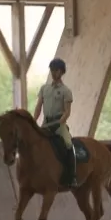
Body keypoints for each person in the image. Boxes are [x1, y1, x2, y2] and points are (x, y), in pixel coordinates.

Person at [33, 58, 78, 188]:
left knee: (69, 144)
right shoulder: (44, 89)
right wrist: (34, 121)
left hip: (58, 124)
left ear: (61, 72)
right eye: (52, 70)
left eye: (56, 70)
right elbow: (38, 107)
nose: (53, 73)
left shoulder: (66, 91)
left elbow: (67, 112)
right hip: (45, 123)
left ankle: (72, 175)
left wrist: (59, 123)